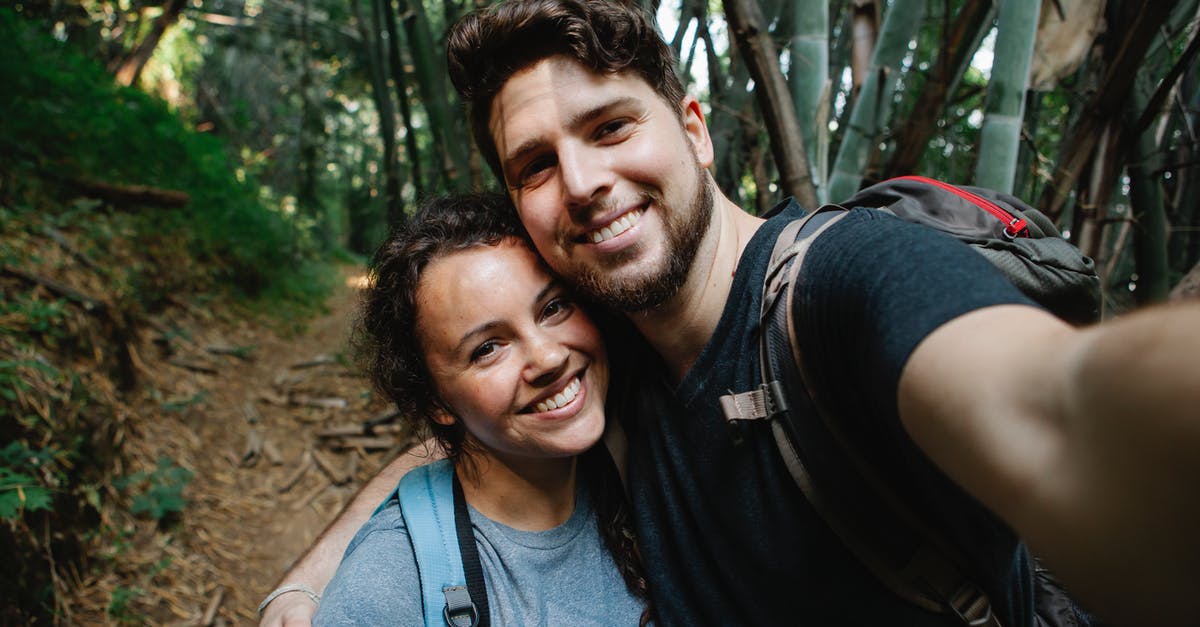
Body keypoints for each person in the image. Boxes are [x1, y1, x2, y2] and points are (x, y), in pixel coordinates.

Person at [260, 2, 1200, 625]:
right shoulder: (607, 347)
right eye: (535, 166)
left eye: (610, 126)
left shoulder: (842, 286)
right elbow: (464, 428)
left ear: (696, 131)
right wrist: (309, 590)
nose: (583, 184)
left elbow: (1057, 407)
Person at [309, 193, 649, 625]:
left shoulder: (649, 466)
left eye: (553, 307)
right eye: (487, 348)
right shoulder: (388, 589)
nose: (547, 358)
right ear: (435, 400)